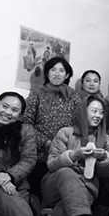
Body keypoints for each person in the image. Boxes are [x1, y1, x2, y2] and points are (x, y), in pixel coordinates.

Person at [23, 57, 83, 199]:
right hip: (38, 154)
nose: (57, 74)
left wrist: (65, 146)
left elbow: (80, 124)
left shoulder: (74, 97)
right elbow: (26, 123)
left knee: (60, 194)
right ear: (47, 73)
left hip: (64, 154)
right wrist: (45, 142)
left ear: (67, 75)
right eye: (53, 70)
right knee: (36, 194)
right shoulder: (36, 95)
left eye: (61, 71)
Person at [76, 69, 109, 136]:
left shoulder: (106, 103)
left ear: (99, 84)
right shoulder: (75, 101)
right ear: (82, 82)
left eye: (95, 81)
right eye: (88, 81)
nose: (92, 84)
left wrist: (104, 137)